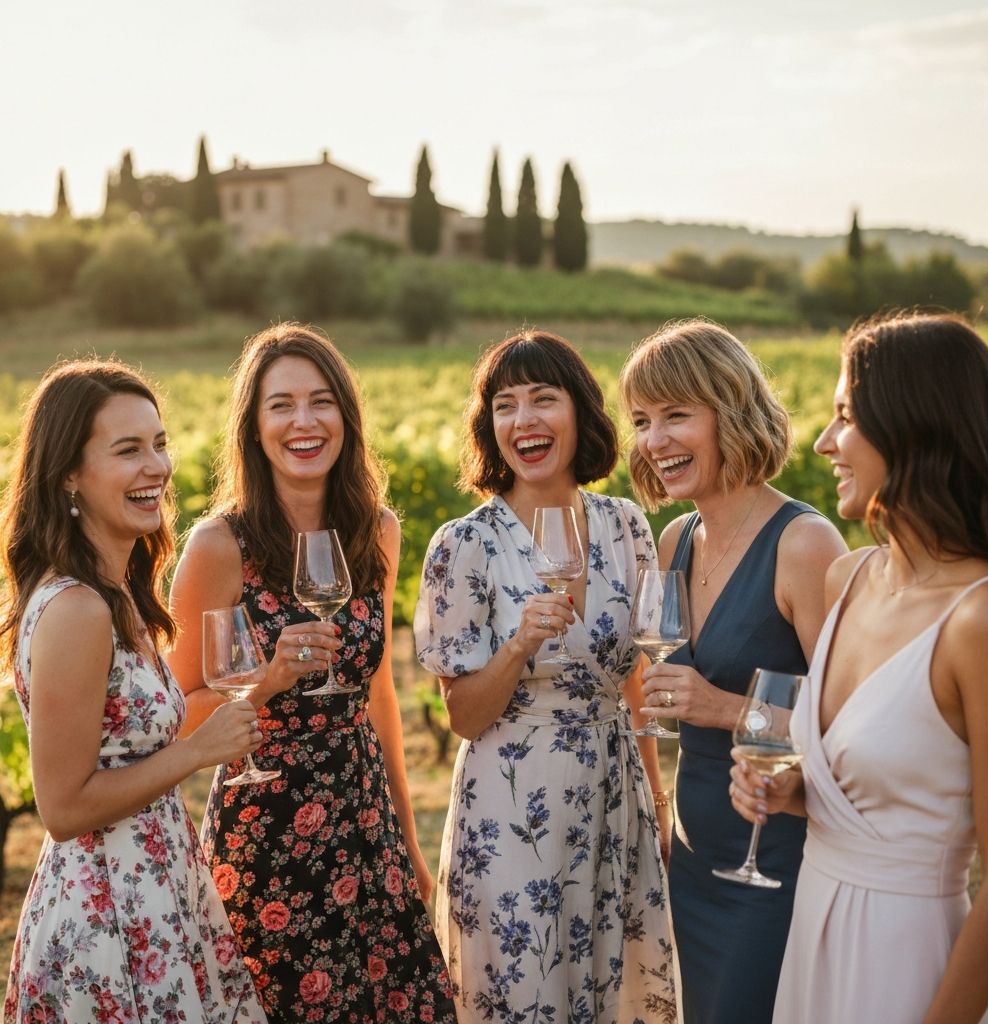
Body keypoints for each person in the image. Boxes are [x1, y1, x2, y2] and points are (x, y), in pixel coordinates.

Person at [730, 312, 988, 1023]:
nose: (826, 442)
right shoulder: (850, 579)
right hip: (813, 932)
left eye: (845, 417)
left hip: (909, 961)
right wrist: (796, 790)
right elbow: (874, 781)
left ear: (916, 426)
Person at [166, 324, 456, 1024]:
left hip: (365, 823)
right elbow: (172, 717)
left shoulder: (375, 531)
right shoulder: (217, 547)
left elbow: (378, 691)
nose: (304, 422)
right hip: (264, 834)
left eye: (321, 401)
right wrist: (263, 681)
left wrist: (408, 845)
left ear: (346, 419)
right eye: (281, 405)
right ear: (254, 426)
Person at [414, 330, 677, 1023]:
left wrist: (656, 796)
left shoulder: (626, 527)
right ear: (489, 425)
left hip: (616, 798)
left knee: (613, 990)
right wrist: (515, 647)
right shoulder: (462, 546)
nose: (524, 420)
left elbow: (634, 676)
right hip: (513, 809)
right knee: (527, 994)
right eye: (505, 405)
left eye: (543, 399)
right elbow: (465, 717)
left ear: (579, 413)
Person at [0, 360, 266, 1023]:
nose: (158, 466)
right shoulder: (77, 610)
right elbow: (62, 807)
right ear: (69, 475)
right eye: (128, 450)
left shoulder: (115, 594)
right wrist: (196, 751)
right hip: (106, 914)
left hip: (154, 888)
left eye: (159, 443)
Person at [618, 319, 847, 1024]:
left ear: (733, 411)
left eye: (677, 415)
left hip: (774, 861)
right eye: (643, 420)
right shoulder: (676, 538)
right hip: (692, 857)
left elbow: (851, 726)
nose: (655, 441)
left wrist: (721, 708)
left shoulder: (805, 543)